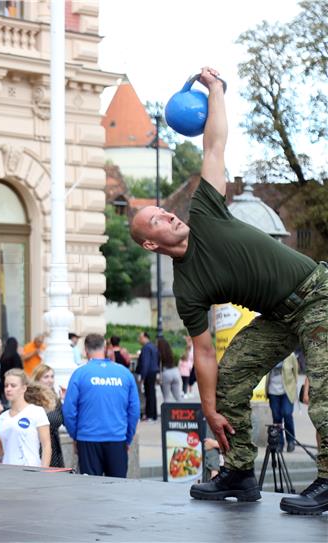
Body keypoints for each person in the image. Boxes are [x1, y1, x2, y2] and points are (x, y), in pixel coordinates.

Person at [130, 67, 327, 514]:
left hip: (318, 296)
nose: (169, 216)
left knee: (325, 396)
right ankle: (238, 471)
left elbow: (214, 144)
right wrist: (209, 408)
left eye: (165, 211)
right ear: (150, 242)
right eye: (158, 220)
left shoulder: (207, 211)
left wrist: (215, 91)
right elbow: (203, 353)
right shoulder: (188, 289)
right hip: (279, 315)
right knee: (230, 379)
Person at [62, 334, 140, 478]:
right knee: (116, 488)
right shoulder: (124, 373)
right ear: (105, 348)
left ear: (85, 350)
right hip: (116, 438)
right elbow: (134, 411)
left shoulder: (80, 374)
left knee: (91, 490)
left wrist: (76, 435)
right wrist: (127, 437)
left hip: (88, 439)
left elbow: (68, 411)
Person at [0, 369, 53, 467]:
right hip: (6, 472)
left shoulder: (36, 412)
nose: (8, 389)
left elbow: (46, 446)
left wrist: (44, 472)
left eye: (13, 386)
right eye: (6, 385)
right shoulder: (2, 417)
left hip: (30, 473)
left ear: (23, 388)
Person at [31, 364, 65, 467]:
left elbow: (64, 420)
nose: (50, 380)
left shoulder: (56, 399)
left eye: (52, 376)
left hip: (54, 448)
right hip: (36, 447)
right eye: (46, 377)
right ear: (37, 379)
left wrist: (65, 401)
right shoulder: (30, 400)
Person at [266, 353, 298, 453]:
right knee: (277, 418)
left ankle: (291, 441)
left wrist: (293, 388)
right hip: (272, 391)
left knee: (287, 414)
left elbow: (295, 373)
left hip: (287, 391)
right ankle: (279, 443)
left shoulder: (290, 356)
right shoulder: (269, 353)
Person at [135, 331, 159, 421]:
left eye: (140, 338)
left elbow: (146, 363)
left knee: (149, 394)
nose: (139, 340)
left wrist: (142, 376)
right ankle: (153, 415)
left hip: (148, 373)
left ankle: (150, 415)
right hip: (153, 372)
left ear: (145, 337)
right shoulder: (153, 346)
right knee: (152, 393)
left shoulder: (146, 348)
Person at [0, 337, 23, 402]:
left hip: (3, 383)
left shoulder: (3, 355)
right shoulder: (16, 356)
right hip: (13, 383)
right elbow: (19, 370)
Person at [158, 337, 183, 403]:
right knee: (178, 397)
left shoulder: (159, 353)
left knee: (166, 398)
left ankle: (167, 413)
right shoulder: (170, 352)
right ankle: (183, 411)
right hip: (175, 371)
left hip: (166, 373)